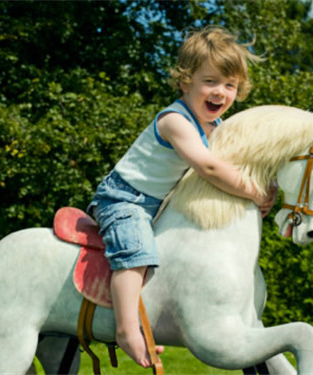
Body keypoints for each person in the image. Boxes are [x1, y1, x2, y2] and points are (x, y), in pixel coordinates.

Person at [87, 26, 277, 368]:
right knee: (136, 254)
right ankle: (127, 329)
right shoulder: (175, 120)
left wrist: (265, 191)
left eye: (230, 85)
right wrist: (253, 190)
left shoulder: (219, 128)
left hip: (159, 206)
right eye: (211, 81)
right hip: (124, 200)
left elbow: (238, 166)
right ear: (185, 81)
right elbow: (210, 168)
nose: (220, 92)